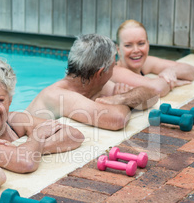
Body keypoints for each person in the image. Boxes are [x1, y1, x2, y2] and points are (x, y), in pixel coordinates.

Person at [0, 56, 84, 173]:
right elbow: (26, 163)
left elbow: (75, 135)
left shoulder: (15, 120)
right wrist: (37, 135)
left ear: (10, 99)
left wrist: (33, 148)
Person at [26, 34, 158, 131]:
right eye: (113, 66)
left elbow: (152, 95)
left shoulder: (96, 85)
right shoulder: (59, 96)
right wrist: (127, 102)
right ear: (100, 73)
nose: (114, 69)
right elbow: (117, 119)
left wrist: (121, 98)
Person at [111, 19, 194, 97]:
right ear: (118, 49)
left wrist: (171, 71)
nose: (136, 50)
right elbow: (157, 89)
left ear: (148, 44)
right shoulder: (115, 71)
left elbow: (191, 71)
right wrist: (171, 81)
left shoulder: (145, 63)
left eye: (141, 43)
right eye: (128, 45)